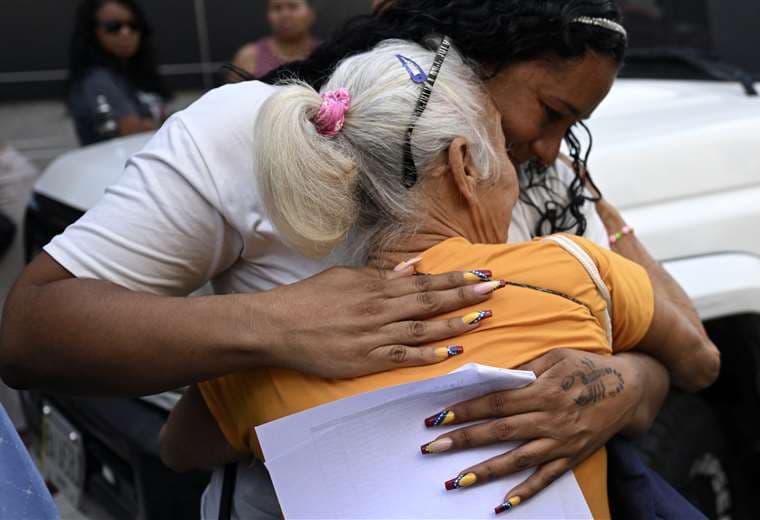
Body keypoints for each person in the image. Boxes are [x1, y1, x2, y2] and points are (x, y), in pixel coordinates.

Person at [0, 0, 710, 517]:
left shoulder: (539, 177)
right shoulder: (251, 127)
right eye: (550, 112)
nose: (553, 149)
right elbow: (30, 332)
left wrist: (615, 389)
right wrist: (275, 325)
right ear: (472, 55)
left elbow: (663, 352)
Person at [67, 0, 170, 145]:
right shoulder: (97, 80)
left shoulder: (130, 74)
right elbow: (132, 130)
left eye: (133, 26)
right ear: (92, 32)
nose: (126, 33)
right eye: (114, 27)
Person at [231, 0, 319, 79]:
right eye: (277, 8)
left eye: (293, 6)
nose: (285, 15)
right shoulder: (249, 57)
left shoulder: (327, 55)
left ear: (311, 13)